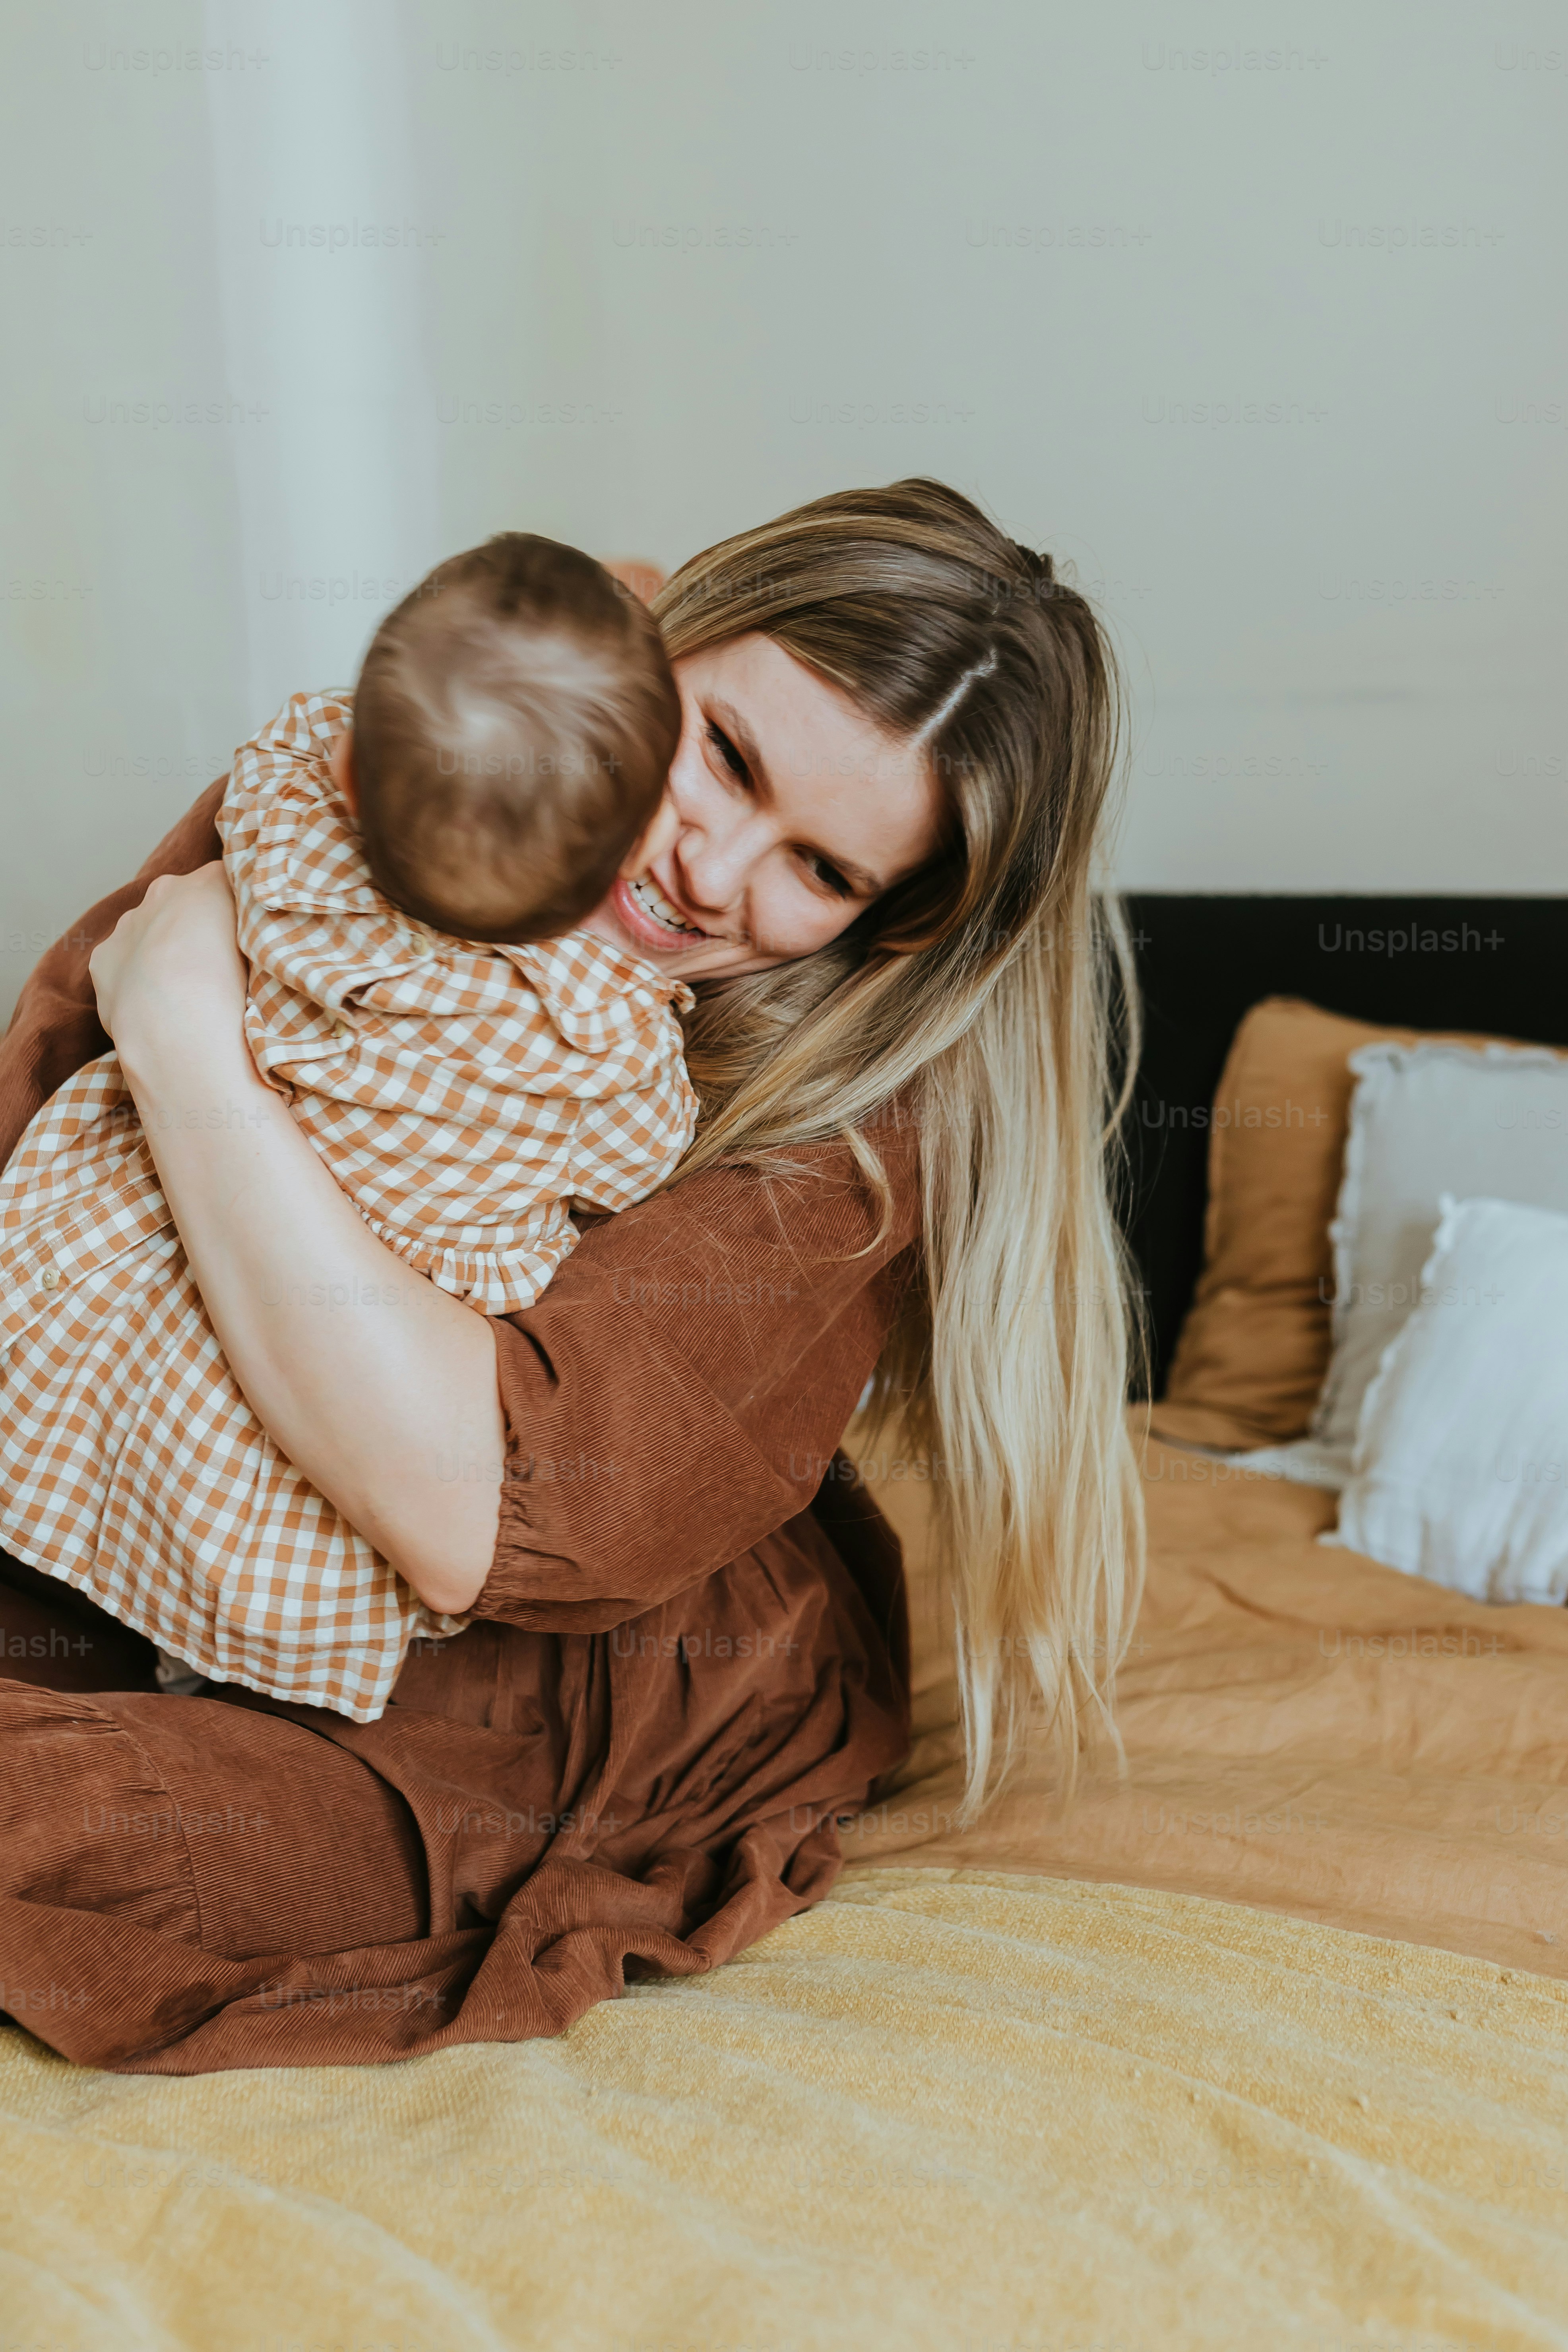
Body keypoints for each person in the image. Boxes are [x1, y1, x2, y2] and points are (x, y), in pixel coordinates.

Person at [0, 478, 1144, 2072]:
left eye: (820, 871)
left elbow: (465, 1508)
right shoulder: (388, 788)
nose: (709, 872)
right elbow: (46, 1162)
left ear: (890, 928)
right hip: (178, 1503)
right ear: (653, 642)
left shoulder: (858, 1130)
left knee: (50, 1815)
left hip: (559, 1691)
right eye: (724, 753)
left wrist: (190, 1046)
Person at [0, 532, 696, 1718]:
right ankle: (201, 1671)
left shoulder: (294, 854)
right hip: (318, 1394)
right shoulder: (599, 1037)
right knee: (254, 1526)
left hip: (120, 1278)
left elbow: (294, 750)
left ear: (356, 775)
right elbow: (642, 1158)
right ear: (614, 863)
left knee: (97, 1443)